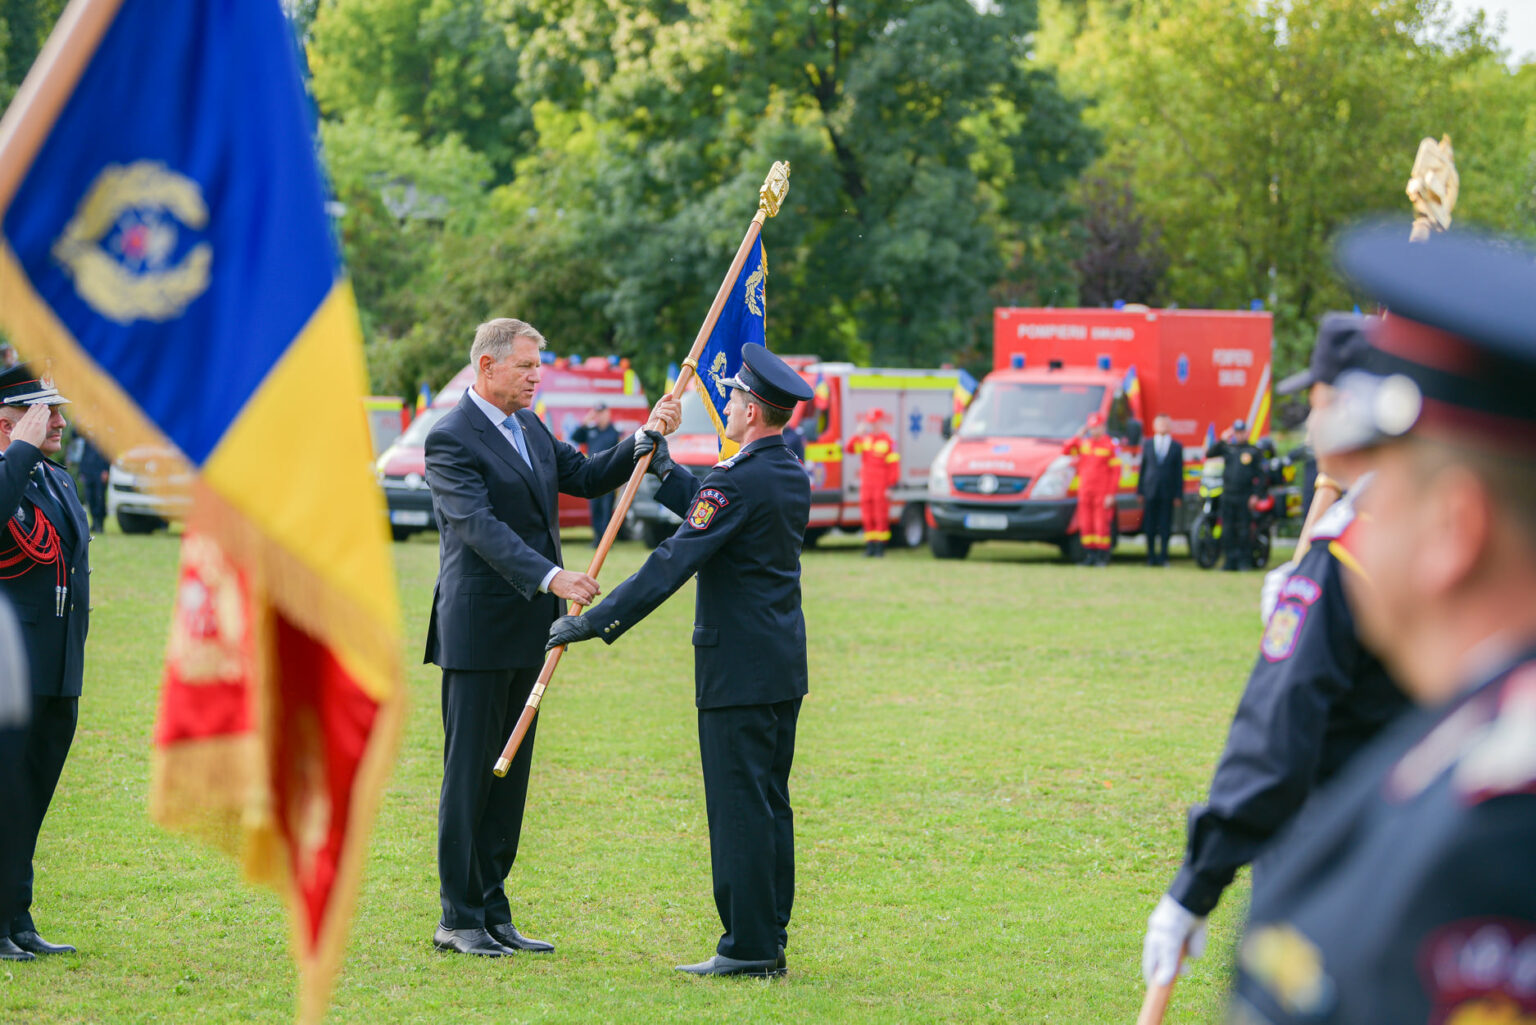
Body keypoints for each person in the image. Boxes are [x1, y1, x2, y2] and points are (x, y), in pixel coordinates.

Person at [1229, 226, 1536, 1024]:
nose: (1352, 527)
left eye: (1376, 497)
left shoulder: (1493, 845)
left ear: (1454, 528)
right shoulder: (1465, 735)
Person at [1140, 315, 1410, 990]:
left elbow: (1279, 731)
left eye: (1316, 405)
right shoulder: (1438, 530)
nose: (1309, 427)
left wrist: (1196, 884)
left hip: (1333, 849)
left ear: (1348, 410)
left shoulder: (1347, 556)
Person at [547, 342, 815, 978]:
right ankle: (768, 935)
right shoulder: (785, 470)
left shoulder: (736, 478)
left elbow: (674, 559)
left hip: (736, 670)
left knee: (739, 807)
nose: (729, 405)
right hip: (778, 664)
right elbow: (718, 516)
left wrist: (596, 621)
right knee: (768, 804)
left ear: (752, 412)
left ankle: (747, 948)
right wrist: (668, 473)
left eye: (735, 398)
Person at [422, 318, 679, 958]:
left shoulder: (531, 428)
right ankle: (458, 917)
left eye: (539, 366)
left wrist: (643, 437)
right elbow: (478, 526)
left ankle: (493, 910)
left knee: (509, 776)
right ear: (487, 366)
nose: (537, 376)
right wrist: (551, 576)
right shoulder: (450, 437)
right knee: (470, 776)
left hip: (532, 631)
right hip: (478, 633)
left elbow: (587, 476)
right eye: (526, 366)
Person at [0, 364, 90, 961]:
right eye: (43, 412)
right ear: (8, 424)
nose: (58, 421)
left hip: (55, 668)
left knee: (28, 800)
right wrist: (20, 453)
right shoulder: (13, 471)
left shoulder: (53, 478)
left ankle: (16, 916)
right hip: (10, 672)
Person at [1206, 418, 1267, 571]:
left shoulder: (1253, 451)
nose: (1239, 435)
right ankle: (1229, 561)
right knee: (1227, 529)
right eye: (1237, 432)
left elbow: (1262, 476)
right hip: (1228, 494)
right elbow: (1210, 453)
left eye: (1242, 432)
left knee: (1244, 529)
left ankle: (1243, 561)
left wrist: (1256, 495)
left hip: (1245, 495)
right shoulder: (1228, 448)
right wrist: (1222, 439)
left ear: (1246, 433)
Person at [1063, 413, 1120, 566]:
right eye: (1092, 428)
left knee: (1101, 525)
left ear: (1103, 427)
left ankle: (1102, 556)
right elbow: (1066, 450)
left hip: (1102, 492)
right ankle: (1089, 556)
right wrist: (1078, 436)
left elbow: (1116, 472)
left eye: (1097, 427)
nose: (1094, 430)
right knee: (1086, 524)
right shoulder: (1084, 443)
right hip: (1085, 491)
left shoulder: (1110, 445)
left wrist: (1111, 494)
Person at [845, 409, 899, 557]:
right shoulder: (865, 439)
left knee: (880, 516)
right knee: (867, 516)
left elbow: (894, 466)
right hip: (867, 485)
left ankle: (880, 548)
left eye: (875, 423)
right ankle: (870, 547)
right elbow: (849, 449)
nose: (872, 425)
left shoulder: (889, 441)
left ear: (881, 422)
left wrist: (891, 486)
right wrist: (857, 434)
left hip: (881, 485)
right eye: (871, 423)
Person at [570, 402, 622, 547]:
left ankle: (606, 542)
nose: (599, 416)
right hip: (593, 475)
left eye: (601, 413)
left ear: (608, 413)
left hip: (609, 476)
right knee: (595, 509)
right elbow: (575, 437)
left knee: (606, 510)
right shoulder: (591, 430)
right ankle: (597, 540)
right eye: (597, 413)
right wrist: (585, 422)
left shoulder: (614, 431)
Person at [1137, 413, 1183, 566]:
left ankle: (1164, 556)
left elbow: (1179, 472)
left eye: (1165, 424)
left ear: (1170, 426)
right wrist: (1140, 490)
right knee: (1149, 525)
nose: (1163, 427)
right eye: (1160, 424)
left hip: (1167, 491)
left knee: (1165, 525)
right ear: (1154, 426)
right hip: (1150, 490)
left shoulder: (1176, 446)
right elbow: (1143, 469)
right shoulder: (1148, 444)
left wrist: (1178, 494)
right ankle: (1150, 556)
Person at [74, 436, 109, 535]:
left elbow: (107, 456)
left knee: (99, 499)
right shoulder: (88, 440)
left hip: (100, 472)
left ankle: (100, 524)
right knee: (90, 498)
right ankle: (94, 522)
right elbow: (84, 455)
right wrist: (82, 471)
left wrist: (106, 470)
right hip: (88, 472)